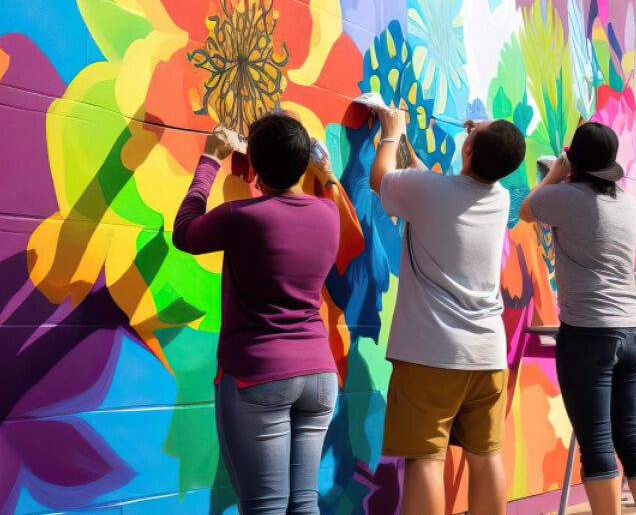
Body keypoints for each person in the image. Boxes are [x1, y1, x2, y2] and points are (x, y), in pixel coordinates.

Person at [173, 115, 343, 514]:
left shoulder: (240, 217)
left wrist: (210, 159)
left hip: (259, 377)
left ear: (253, 165)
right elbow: (323, 193)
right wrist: (327, 171)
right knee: (303, 505)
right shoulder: (328, 214)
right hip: (319, 379)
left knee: (265, 507)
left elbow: (185, 232)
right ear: (304, 164)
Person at [370, 110, 526, 515]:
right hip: (488, 357)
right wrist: (412, 154)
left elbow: (381, 180)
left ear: (469, 147)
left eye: (474, 129)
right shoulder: (500, 197)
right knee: (486, 455)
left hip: (433, 354)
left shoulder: (428, 192)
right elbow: (434, 188)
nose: (470, 126)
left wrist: (393, 133)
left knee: (426, 459)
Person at [517, 122, 636, 515]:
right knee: (630, 435)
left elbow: (527, 209)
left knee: (597, 442)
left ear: (575, 163)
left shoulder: (566, 198)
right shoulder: (625, 200)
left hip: (590, 336)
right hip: (633, 331)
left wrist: (556, 173)